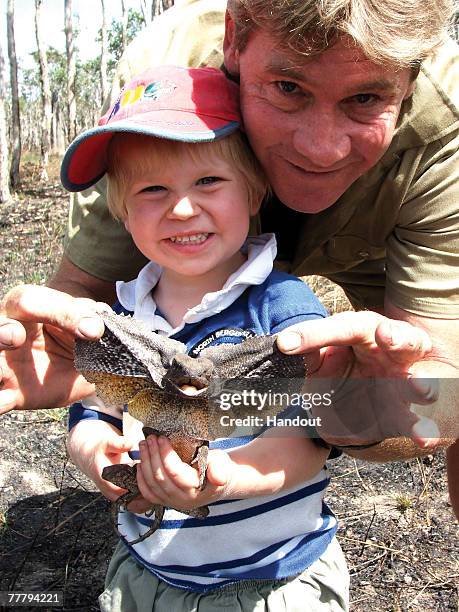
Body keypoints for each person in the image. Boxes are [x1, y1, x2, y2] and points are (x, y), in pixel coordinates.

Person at [0, 0, 457, 508]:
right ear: (235, 38)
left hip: (381, 224)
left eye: (366, 98)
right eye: (288, 88)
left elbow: (442, 400)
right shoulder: (163, 78)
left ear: (411, 81)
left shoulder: (447, 124)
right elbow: (75, 307)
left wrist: (355, 409)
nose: (320, 148)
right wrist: (71, 366)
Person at [63, 64, 349, 610]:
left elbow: (313, 440)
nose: (183, 207)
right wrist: (106, 462)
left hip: (275, 580)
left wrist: (225, 477)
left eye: (208, 181)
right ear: (121, 211)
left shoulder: (281, 307)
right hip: (149, 576)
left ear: (254, 189)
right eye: (152, 189)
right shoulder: (115, 321)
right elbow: (89, 417)